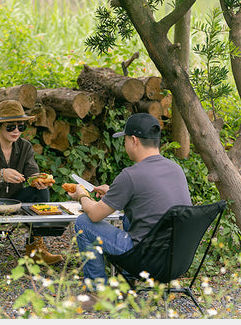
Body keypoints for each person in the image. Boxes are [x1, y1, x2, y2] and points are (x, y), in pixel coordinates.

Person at [67, 113, 191, 288]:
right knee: (129, 214)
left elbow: (94, 215)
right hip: (177, 261)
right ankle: (128, 279)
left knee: (83, 222)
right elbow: (149, 199)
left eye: (124, 140)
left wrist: (82, 195)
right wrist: (114, 193)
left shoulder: (131, 176)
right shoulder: (176, 169)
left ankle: (96, 291)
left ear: (134, 140)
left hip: (145, 260)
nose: (124, 144)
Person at [0, 99, 63, 273]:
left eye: (21, 126)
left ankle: (36, 249)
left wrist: (38, 181)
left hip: (16, 199)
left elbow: (33, 174)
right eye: (10, 127)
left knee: (42, 193)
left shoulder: (25, 147)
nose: (16, 131)